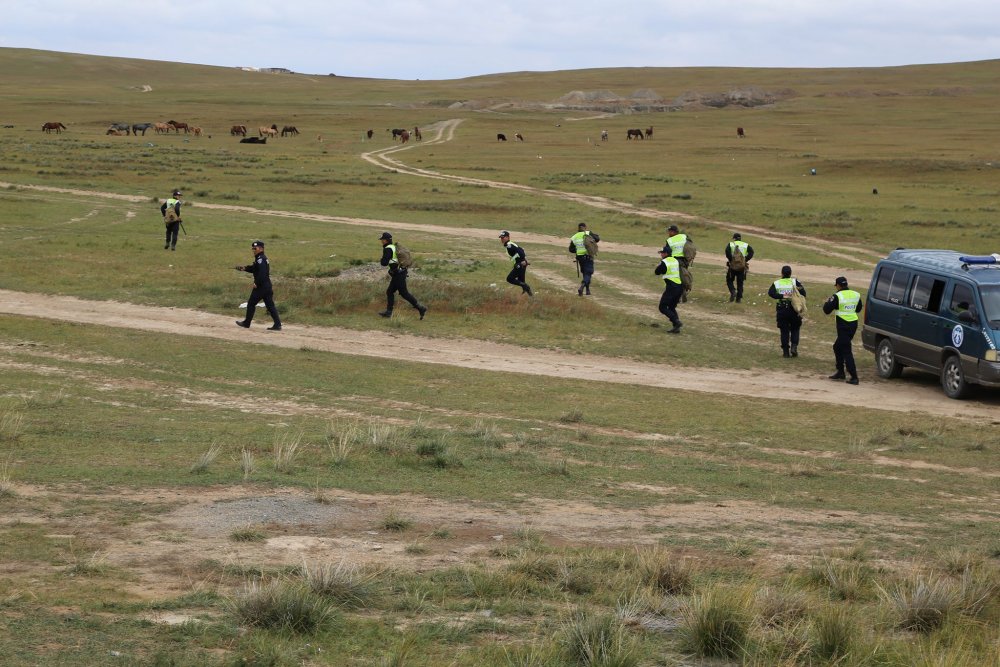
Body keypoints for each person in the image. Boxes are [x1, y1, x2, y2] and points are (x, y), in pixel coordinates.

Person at [822, 276, 862, 384]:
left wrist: (827, 301)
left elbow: (826, 310)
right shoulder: (855, 294)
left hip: (843, 325)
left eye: (836, 285)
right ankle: (840, 372)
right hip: (853, 324)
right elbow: (858, 309)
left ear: (838, 285)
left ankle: (854, 377)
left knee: (846, 350)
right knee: (837, 347)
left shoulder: (837, 296)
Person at [235, 241, 282, 331]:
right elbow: (255, 268)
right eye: (253, 248)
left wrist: (256, 283)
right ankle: (277, 324)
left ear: (261, 249)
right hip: (267, 286)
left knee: (251, 303)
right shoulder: (260, 258)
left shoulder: (261, 259)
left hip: (261, 287)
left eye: (255, 248)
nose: (253, 250)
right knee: (270, 306)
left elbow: (262, 273)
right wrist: (244, 268)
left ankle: (246, 323)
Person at [378, 232, 427, 319]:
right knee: (390, 291)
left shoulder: (388, 249)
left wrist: (382, 259)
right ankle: (389, 312)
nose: (381, 241)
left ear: (386, 240)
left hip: (398, 274)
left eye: (382, 239)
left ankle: (421, 308)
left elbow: (384, 263)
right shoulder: (393, 247)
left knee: (404, 293)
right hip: (400, 272)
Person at [767, 265, 806, 357]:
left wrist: (782, 296)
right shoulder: (795, 282)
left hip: (782, 309)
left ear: (782, 273)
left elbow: (771, 293)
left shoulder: (777, 283)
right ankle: (794, 346)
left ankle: (785, 352)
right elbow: (804, 293)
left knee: (784, 331)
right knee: (795, 328)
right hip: (794, 309)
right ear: (790, 273)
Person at [654, 245, 684, 333]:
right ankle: (676, 328)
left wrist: (659, 264)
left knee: (662, 307)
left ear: (666, 253)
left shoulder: (664, 262)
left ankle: (676, 322)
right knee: (671, 307)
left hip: (672, 287)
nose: (661, 254)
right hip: (679, 287)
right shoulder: (675, 260)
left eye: (662, 253)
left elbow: (657, 272)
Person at [568, 222, 599, 295]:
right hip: (588, 256)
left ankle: (587, 290)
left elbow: (571, 249)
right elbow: (597, 239)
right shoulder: (588, 233)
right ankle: (582, 286)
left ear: (578, 228)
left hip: (580, 257)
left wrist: (578, 249)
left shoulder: (574, 236)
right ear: (585, 227)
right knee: (589, 272)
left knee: (585, 273)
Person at [499, 231, 533, 296]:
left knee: (509, 279)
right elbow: (521, 249)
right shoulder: (510, 244)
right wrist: (524, 261)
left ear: (507, 237)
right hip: (521, 264)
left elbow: (521, 252)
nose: (502, 239)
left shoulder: (509, 245)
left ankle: (527, 287)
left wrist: (522, 262)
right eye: (501, 238)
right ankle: (530, 297)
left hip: (520, 265)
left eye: (503, 238)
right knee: (521, 281)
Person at [665, 224, 692, 302]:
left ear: (674, 232)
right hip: (685, 261)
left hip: (675, 260)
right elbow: (691, 246)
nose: (668, 233)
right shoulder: (684, 236)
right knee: (683, 276)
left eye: (669, 231)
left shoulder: (669, 240)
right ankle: (683, 292)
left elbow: (667, 252)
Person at [724, 233, 754, 302]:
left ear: (734, 238)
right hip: (742, 267)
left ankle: (733, 291)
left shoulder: (731, 244)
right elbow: (751, 252)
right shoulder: (745, 245)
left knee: (729, 280)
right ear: (740, 238)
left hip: (732, 267)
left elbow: (727, 251)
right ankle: (738, 299)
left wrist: (731, 260)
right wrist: (745, 260)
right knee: (740, 283)